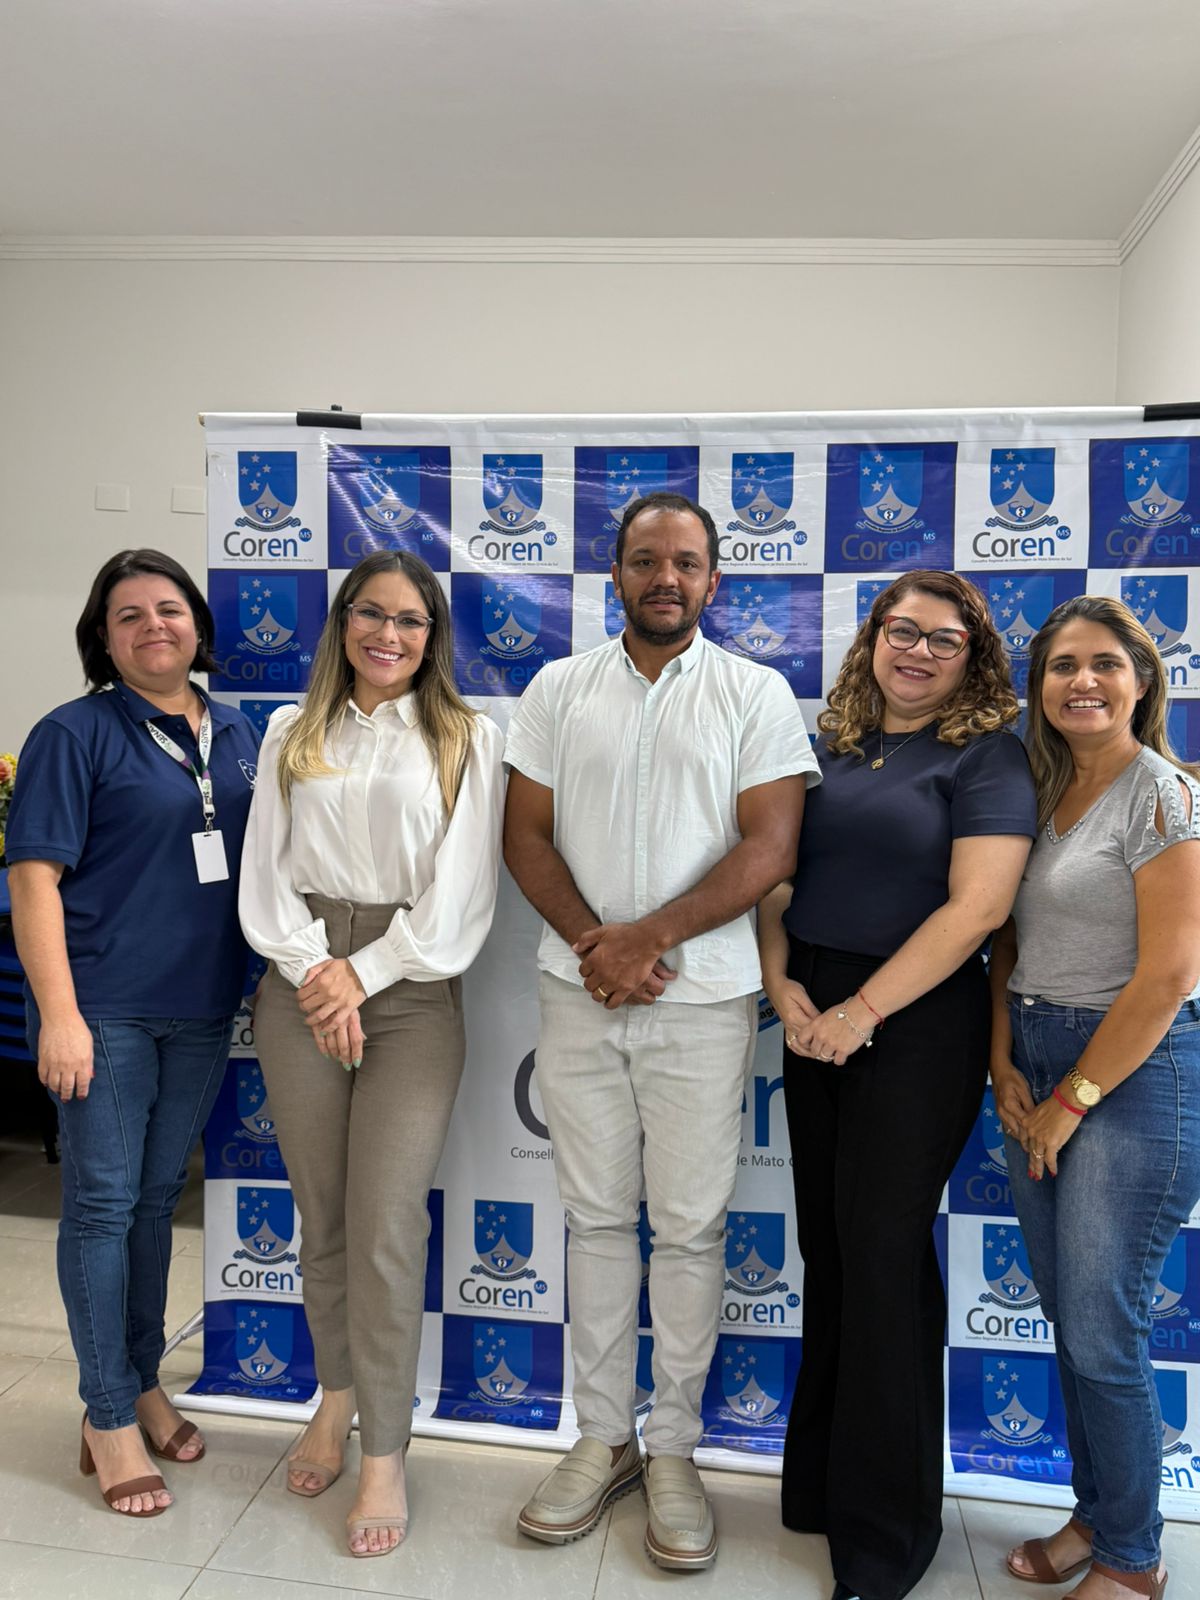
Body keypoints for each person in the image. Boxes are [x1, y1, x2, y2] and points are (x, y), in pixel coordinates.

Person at [503, 490, 818, 1571]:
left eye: (686, 562)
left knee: (687, 1230)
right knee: (595, 1221)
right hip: (580, 990)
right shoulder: (557, 688)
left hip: (702, 998)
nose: (665, 578)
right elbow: (526, 835)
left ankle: (673, 1448)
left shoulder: (754, 692)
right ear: (616, 575)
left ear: (714, 580)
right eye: (645, 560)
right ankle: (603, 1441)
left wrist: (648, 938)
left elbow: (771, 846)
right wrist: (599, 945)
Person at [758, 570, 1037, 1600]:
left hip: (913, 1019)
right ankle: (824, 1488)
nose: (917, 651)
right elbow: (776, 876)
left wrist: (862, 1011)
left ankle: (886, 1540)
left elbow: (979, 909)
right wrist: (782, 983)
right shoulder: (829, 742)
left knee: (881, 1258)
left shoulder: (988, 753)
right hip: (812, 1005)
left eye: (943, 640)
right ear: (872, 636)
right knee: (828, 1251)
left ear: (974, 658)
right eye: (902, 630)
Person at [239, 549, 504, 1559]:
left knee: (387, 1224)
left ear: (433, 637)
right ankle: (335, 1397)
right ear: (342, 621)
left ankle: (385, 1450)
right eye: (370, 614)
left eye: (410, 620)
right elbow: (265, 873)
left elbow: (464, 891)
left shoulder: (467, 736)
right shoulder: (290, 730)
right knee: (325, 1218)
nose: (388, 635)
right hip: (300, 979)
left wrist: (367, 972)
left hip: (412, 992)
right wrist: (319, 971)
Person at [7, 549, 260, 1518]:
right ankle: (107, 1413)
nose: (154, 625)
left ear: (198, 625)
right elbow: (33, 881)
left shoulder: (238, 731)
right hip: (102, 1007)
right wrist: (60, 1015)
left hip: (202, 1004)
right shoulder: (72, 734)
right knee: (104, 1206)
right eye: (129, 615)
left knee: (155, 1200)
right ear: (102, 640)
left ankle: (143, 1378)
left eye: (170, 609)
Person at [990, 595, 1200, 1600]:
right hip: (1037, 1056)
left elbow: (1169, 974)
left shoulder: (1163, 794)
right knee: (1070, 1318)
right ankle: (1096, 1515)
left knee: (1102, 1327)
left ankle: (1133, 1558)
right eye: (1062, 665)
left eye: (1105, 663)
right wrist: (1003, 1062)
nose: (1083, 681)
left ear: (1142, 681)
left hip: (1132, 1072)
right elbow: (1007, 941)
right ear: (1039, 688)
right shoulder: (1039, 789)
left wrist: (1069, 1100)